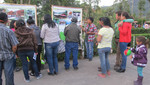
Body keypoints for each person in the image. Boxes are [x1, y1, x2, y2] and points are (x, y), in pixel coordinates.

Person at [0, 13, 19, 85]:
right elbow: (14, 46)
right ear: (6, 20)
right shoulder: (9, 31)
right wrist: (13, 52)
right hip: (8, 55)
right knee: (8, 74)